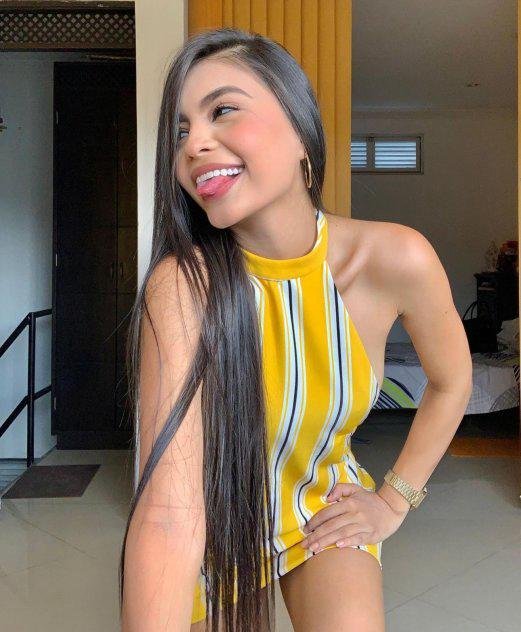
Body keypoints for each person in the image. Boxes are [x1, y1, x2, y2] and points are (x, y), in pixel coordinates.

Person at [119, 27, 473, 632]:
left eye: (222, 111)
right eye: (179, 132)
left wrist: (394, 500)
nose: (194, 145)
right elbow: (170, 513)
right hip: (215, 522)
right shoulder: (182, 287)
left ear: (302, 134)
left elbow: (452, 381)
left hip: (321, 502)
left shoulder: (396, 258)